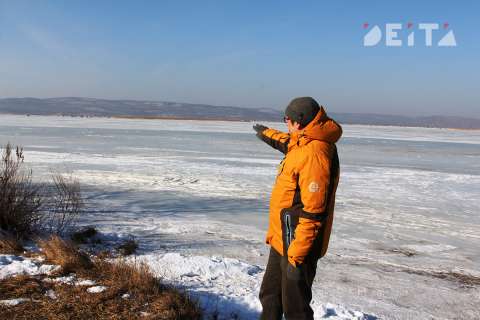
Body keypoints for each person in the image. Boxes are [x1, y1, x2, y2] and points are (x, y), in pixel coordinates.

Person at [253, 97, 342, 320]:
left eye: (288, 120)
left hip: (298, 244)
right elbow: (287, 142)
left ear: (299, 123)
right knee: (271, 296)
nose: (286, 125)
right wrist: (267, 133)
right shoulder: (303, 141)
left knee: (296, 309)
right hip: (282, 237)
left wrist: (297, 256)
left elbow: (314, 213)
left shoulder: (315, 155)